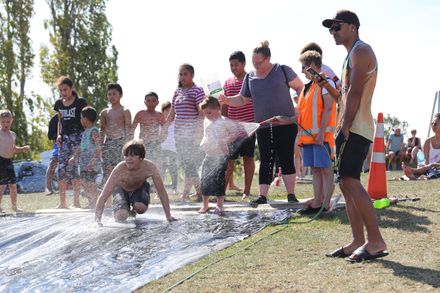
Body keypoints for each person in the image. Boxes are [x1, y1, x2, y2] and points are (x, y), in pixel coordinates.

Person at [322, 10, 388, 262]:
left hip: (357, 127)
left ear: (353, 27)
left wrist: (345, 125)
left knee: (350, 181)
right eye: (331, 29)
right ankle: (358, 240)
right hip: (348, 126)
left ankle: (376, 241)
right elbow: (344, 95)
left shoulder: (361, 51)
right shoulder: (350, 55)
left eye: (337, 27)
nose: (333, 32)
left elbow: (355, 93)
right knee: (345, 183)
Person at [219, 41, 304, 204]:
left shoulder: (282, 70)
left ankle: (291, 195)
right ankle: (263, 195)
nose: (256, 66)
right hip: (263, 126)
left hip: (286, 123)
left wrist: (299, 108)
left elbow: (300, 87)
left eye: (259, 62)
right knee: (265, 159)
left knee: (286, 157)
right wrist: (228, 100)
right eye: (253, 63)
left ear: (268, 58)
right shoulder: (250, 77)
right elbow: (243, 99)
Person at [95, 140, 176, 224]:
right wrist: (97, 221)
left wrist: (168, 216)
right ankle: (123, 209)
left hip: (139, 188)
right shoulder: (119, 169)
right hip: (121, 190)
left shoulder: (150, 167)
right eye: (126, 156)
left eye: (132, 156)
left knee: (140, 208)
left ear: (141, 157)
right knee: (121, 216)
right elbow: (103, 195)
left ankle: (134, 209)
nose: (128, 159)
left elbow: (161, 191)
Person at [297, 50, 336, 213]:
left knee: (326, 170)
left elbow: (328, 108)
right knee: (316, 170)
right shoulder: (309, 86)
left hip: (322, 137)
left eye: (304, 67)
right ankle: (318, 201)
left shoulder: (325, 83)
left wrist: (320, 133)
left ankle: (325, 204)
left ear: (313, 66)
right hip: (309, 139)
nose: (301, 71)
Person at [198, 96, 246, 214]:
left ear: (218, 108)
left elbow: (235, 133)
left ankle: (220, 205)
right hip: (209, 155)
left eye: (209, 112)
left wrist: (225, 140)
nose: (207, 115)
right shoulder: (207, 120)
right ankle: (205, 205)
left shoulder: (224, 122)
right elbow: (206, 134)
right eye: (205, 113)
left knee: (219, 180)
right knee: (205, 179)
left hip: (221, 156)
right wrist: (203, 142)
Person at [166, 64, 204, 201]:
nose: (182, 77)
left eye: (185, 74)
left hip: (191, 134)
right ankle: (195, 192)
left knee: (189, 163)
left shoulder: (197, 91)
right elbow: (172, 113)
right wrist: (164, 128)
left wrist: (198, 135)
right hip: (179, 135)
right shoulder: (178, 91)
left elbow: (201, 114)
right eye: (180, 74)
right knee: (185, 162)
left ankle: (194, 191)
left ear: (192, 75)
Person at [222, 51, 256, 200]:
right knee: (229, 160)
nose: (233, 67)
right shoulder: (228, 83)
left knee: (248, 158)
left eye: (236, 64)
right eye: (231, 65)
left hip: (249, 128)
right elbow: (224, 105)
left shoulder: (251, 79)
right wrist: (223, 124)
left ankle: (246, 191)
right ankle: (221, 191)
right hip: (232, 130)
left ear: (243, 64)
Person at [54, 76, 87, 209]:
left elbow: (86, 120)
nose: (63, 93)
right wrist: (58, 135)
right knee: (61, 170)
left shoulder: (80, 102)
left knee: (75, 169)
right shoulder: (59, 104)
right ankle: (62, 203)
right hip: (64, 140)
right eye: (61, 90)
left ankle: (76, 201)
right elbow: (59, 122)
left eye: (65, 90)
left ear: (72, 88)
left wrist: (86, 137)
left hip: (77, 138)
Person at [100, 83, 132, 185]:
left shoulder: (125, 111)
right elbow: (102, 129)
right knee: (108, 169)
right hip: (108, 142)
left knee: (121, 167)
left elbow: (128, 129)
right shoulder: (104, 112)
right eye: (109, 94)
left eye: (114, 94)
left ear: (120, 95)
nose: (111, 96)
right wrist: (100, 145)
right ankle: (109, 191)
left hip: (121, 142)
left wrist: (128, 145)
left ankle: (121, 190)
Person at [0, 110, 31, 212]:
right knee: (1, 186)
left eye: (7, 122)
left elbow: (13, 149)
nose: (5, 124)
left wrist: (23, 148)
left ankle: (14, 206)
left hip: (9, 161)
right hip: (0, 161)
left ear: (11, 121)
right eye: (3, 122)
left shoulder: (13, 134)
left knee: (13, 185)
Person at [71, 106, 101, 208]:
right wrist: (74, 157)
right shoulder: (85, 132)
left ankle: (95, 203)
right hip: (84, 164)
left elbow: (98, 146)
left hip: (91, 164)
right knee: (85, 183)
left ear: (85, 119)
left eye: (81, 117)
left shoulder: (94, 131)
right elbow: (81, 147)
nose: (80, 120)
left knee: (90, 183)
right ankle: (92, 202)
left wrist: (94, 160)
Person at [402, 114, 440, 179]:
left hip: (435, 167)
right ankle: (417, 174)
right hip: (429, 168)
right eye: (432, 123)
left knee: (431, 168)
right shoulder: (428, 142)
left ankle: (413, 173)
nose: (433, 125)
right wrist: (425, 166)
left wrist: (432, 165)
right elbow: (426, 159)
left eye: (435, 123)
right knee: (428, 169)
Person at [132, 92, 164, 163]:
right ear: (145, 102)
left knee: (156, 164)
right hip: (143, 144)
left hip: (156, 143)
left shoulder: (159, 115)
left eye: (153, 101)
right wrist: (132, 142)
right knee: (143, 163)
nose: (151, 103)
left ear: (157, 102)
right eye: (148, 101)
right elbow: (132, 129)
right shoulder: (140, 114)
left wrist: (162, 138)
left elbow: (165, 129)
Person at [159, 101, 178, 193]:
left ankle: (174, 187)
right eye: (166, 110)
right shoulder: (160, 123)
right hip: (162, 149)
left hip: (173, 149)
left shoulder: (176, 123)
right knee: (161, 168)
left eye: (171, 110)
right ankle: (160, 189)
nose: (169, 112)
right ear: (162, 111)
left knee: (173, 168)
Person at [45, 113, 59, 195]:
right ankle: (48, 187)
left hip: (73, 142)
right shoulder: (55, 118)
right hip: (58, 143)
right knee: (53, 162)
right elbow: (50, 135)